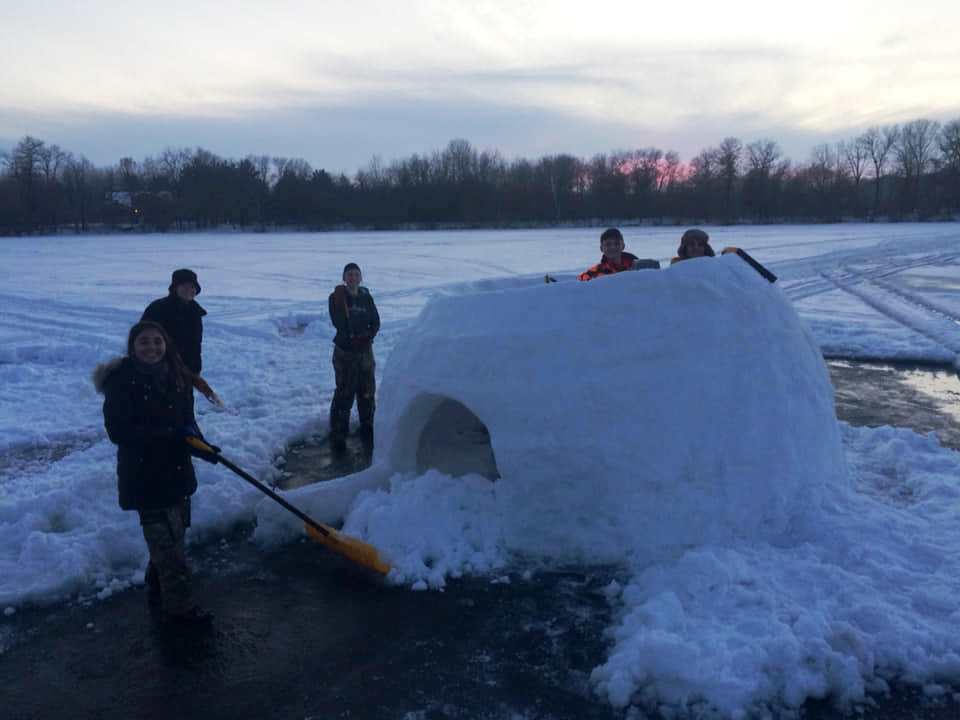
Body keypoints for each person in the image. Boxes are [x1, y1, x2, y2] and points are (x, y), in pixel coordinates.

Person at [93, 320, 219, 630]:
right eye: (144, 342)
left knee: (175, 537)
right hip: (146, 477)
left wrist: (202, 447)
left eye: (157, 342)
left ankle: (156, 582)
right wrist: (168, 436)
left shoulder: (176, 376)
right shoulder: (122, 381)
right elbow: (119, 432)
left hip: (177, 474)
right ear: (132, 347)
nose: (152, 347)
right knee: (172, 554)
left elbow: (186, 423)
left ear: (166, 345)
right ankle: (181, 614)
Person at [328, 262, 380, 455]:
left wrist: (368, 335)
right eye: (349, 274)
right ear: (344, 277)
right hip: (345, 352)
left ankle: (367, 426)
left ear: (360, 278)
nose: (352, 277)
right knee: (344, 391)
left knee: (367, 390)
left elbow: (375, 320)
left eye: (356, 274)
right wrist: (354, 335)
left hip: (365, 352)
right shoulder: (336, 297)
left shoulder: (366, 297)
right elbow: (339, 322)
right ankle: (339, 432)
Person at [578, 228, 660, 281]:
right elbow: (578, 282)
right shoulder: (596, 271)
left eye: (616, 244)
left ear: (623, 246)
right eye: (608, 244)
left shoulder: (638, 267)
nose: (612, 247)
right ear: (601, 248)